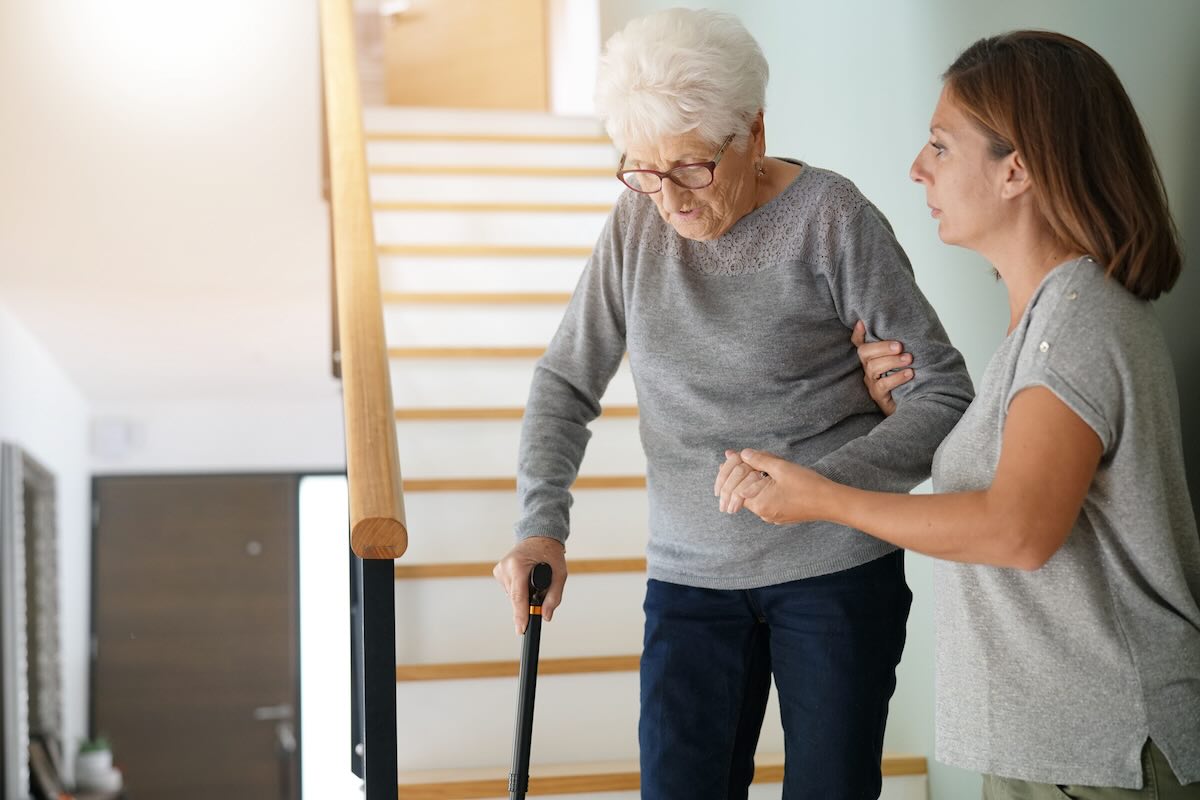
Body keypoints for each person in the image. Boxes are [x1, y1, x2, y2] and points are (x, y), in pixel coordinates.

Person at [491, 8, 974, 798]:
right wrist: (541, 525)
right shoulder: (635, 229)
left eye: (689, 168)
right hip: (689, 580)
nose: (669, 200)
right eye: (642, 170)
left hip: (836, 573)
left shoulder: (830, 219)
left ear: (753, 132)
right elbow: (564, 382)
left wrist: (822, 487)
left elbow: (943, 394)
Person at [717, 30, 1200, 798]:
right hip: (1066, 752)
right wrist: (885, 411)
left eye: (941, 146)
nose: (917, 168)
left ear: (1019, 169)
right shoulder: (1048, 323)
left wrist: (822, 499)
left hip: (1108, 754)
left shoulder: (1075, 324)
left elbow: (1016, 529)